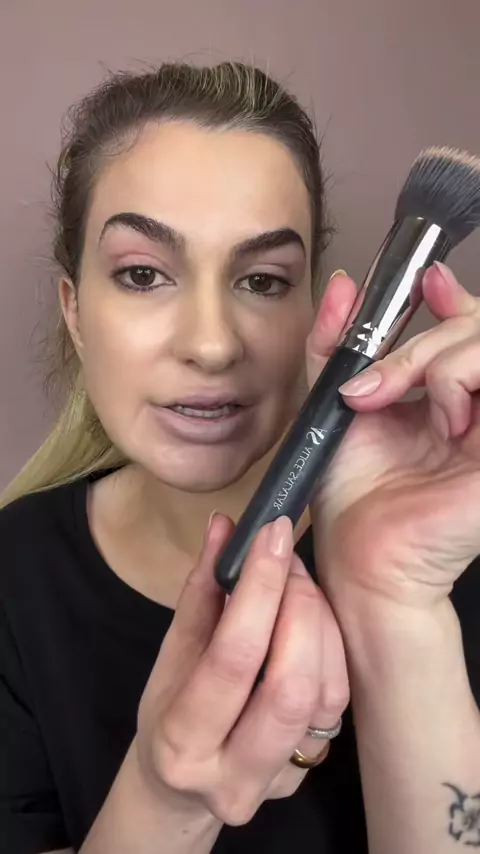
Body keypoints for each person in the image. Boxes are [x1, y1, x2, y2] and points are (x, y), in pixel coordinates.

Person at [1, 60, 480, 854]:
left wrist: (395, 608)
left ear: (315, 308)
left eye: (261, 281)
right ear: (75, 312)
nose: (212, 344)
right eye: (143, 274)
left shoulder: (444, 555)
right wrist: (161, 800)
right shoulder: (15, 583)